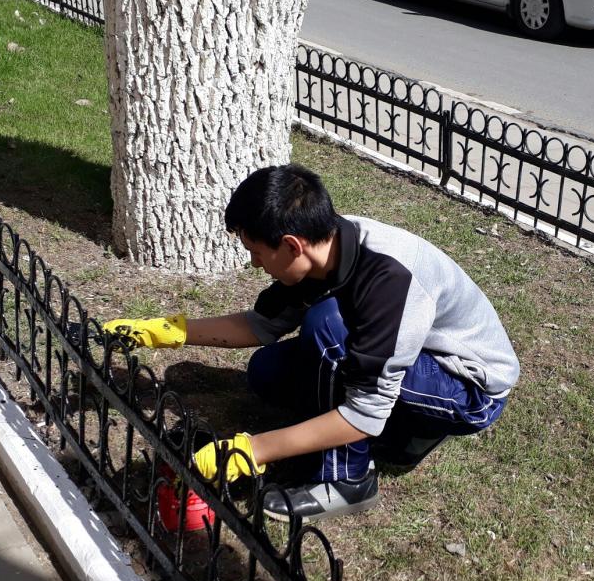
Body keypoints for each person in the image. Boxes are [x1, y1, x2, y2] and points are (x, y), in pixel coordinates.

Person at [104, 164, 520, 523]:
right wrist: (167, 331)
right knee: (268, 371)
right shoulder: (324, 245)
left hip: (467, 387)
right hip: (407, 357)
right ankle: (406, 433)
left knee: (329, 329)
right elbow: (261, 326)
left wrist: (253, 449)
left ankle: (348, 481)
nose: (254, 263)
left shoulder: (389, 280)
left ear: (290, 245)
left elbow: (365, 413)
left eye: (256, 252)